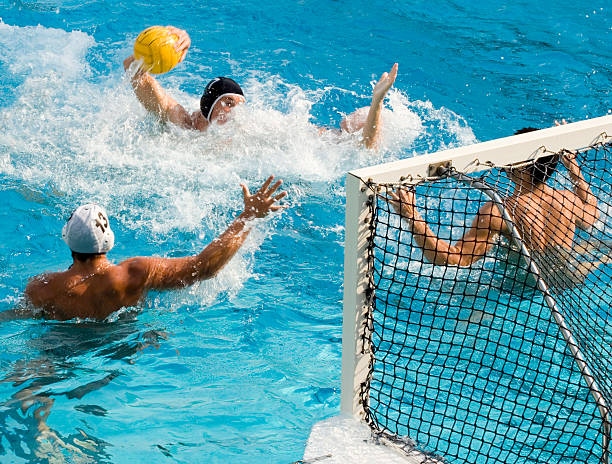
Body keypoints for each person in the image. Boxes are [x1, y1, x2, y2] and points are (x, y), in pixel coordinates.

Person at [24, 177, 287, 321]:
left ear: (67, 239)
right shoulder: (134, 274)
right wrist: (247, 216)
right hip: (117, 350)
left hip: (61, 352)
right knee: (154, 335)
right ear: (108, 240)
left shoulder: (41, 288)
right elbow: (205, 267)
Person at [123, 26, 397, 149]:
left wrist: (376, 105)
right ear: (209, 108)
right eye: (228, 103)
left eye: (239, 105)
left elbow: (362, 149)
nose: (236, 112)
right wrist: (170, 39)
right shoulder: (183, 124)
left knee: (347, 130)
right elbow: (132, 69)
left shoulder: (260, 133)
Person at [387, 127, 599, 270]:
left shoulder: (498, 211)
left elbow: (455, 259)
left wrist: (413, 218)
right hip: (568, 277)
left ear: (523, 167)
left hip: (520, 289)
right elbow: (592, 216)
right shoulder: (568, 200)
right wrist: (572, 165)